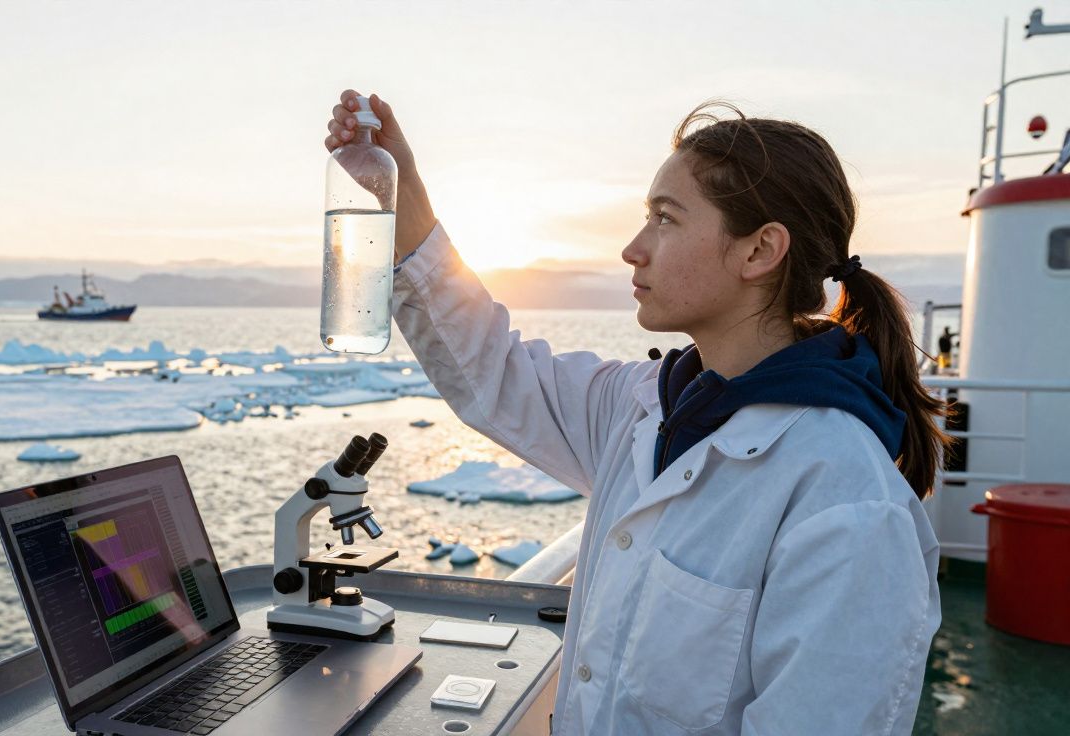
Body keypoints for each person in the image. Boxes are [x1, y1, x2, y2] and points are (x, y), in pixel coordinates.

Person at [324, 91, 947, 735]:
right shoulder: (642, 405)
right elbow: (492, 371)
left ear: (759, 252)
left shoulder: (846, 501)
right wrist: (401, 195)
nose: (633, 248)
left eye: (666, 218)